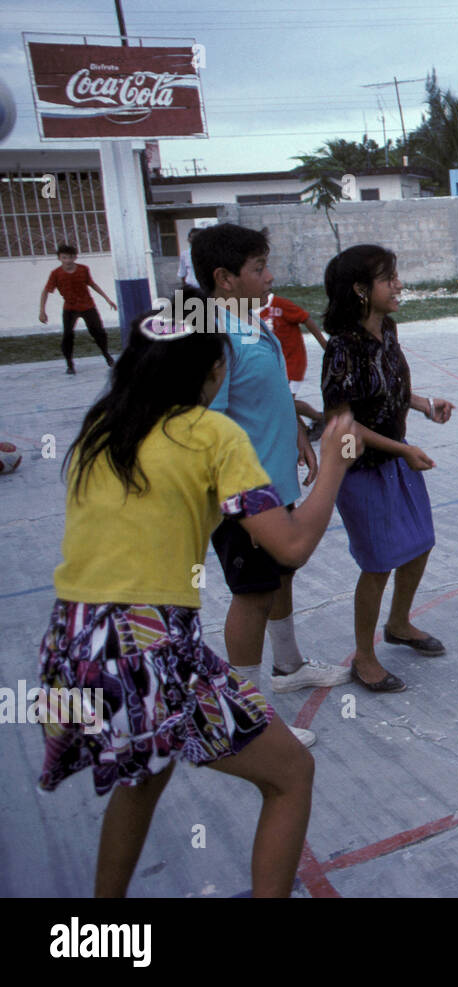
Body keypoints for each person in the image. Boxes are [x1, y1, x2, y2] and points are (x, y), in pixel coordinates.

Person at [39, 300, 362, 896]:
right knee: (292, 772)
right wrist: (337, 464)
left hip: (72, 646)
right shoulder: (213, 434)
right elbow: (289, 547)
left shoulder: (101, 426)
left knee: (146, 773)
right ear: (215, 371)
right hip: (148, 647)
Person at [192, 224, 350, 745]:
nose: (270, 276)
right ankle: (246, 713)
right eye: (258, 269)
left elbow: (264, 398)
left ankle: (288, 667)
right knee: (252, 595)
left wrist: (296, 437)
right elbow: (207, 426)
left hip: (273, 477)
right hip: (243, 496)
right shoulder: (213, 341)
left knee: (279, 577)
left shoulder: (250, 324)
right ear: (224, 278)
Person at [321, 244, 455, 693]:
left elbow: (389, 391)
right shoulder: (341, 348)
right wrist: (403, 449)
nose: (398, 284)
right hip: (360, 469)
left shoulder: (388, 330)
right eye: (388, 278)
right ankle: (364, 656)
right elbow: (343, 424)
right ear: (361, 289)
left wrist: (423, 404)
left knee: (420, 543)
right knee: (378, 562)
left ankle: (399, 624)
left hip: (396, 455)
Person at [38, 243, 117, 375]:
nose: (67, 260)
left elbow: (92, 284)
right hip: (70, 308)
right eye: (64, 258)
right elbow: (46, 291)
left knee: (99, 332)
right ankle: (69, 364)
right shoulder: (56, 274)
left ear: (75, 257)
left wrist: (107, 299)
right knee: (68, 336)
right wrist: (42, 311)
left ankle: (106, 354)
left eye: (70, 257)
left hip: (88, 306)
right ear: (59, 258)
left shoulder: (83, 269)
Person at [261, 291, 329, 440]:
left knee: (286, 401)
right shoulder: (250, 310)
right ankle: (305, 431)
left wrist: (323, 342)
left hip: (293, 361)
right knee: (281, 401)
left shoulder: (281, 304)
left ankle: (320, 418)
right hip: (276, 366)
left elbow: (305, 318)